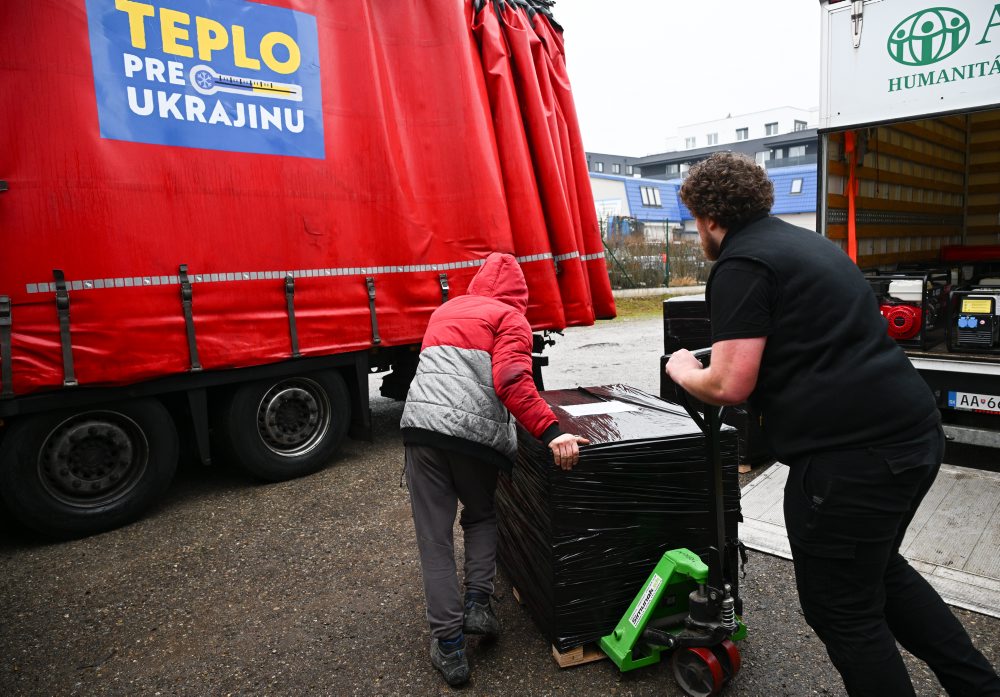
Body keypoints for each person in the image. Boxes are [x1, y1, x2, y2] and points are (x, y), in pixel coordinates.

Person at [665, 152, 1000, 697]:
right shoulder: (808, 244)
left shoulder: (743, 263)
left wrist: (683, 369)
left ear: (706, 216)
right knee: (879, 574)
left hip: (854, 460)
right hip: (913, 435)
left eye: (693, 220)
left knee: (842, 610)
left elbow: (729, 384)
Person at [400, 251, 588, 687]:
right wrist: (551, 431)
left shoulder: (445, 310)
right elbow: (510, 380)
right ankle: (478, 606)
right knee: (482, 515)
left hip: (423, 432)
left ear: (478, 283)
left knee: (434, 539)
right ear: (518, 295)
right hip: (474, 442)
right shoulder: (512, 319)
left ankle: (449, 648)